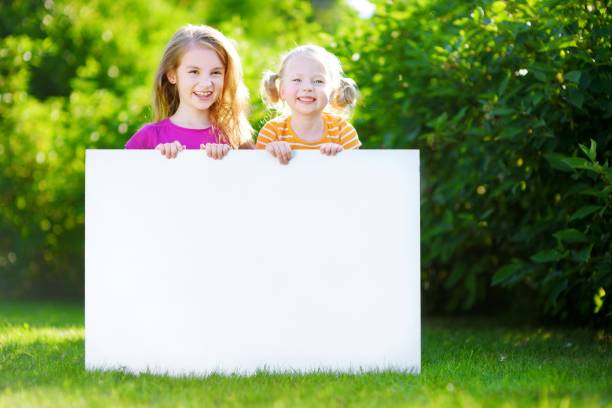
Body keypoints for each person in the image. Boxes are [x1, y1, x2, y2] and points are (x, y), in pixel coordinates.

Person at [125, 24, 253, 159]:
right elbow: (121, 176)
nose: (206, 83)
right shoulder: (148, 138)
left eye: (215, 72)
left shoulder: (235, 140)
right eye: (194, 72)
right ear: (172, 75)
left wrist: (226, 160)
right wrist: (159, 162)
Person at [256, 44, 360, 165]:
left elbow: (355, 172)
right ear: (282, 90)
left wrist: (340, 157)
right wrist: (270, 153)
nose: (307, 87)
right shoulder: (272, 132)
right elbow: (259, 173)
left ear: (333, 92)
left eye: (318, 81)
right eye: (297, 80)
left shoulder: (342, 131)